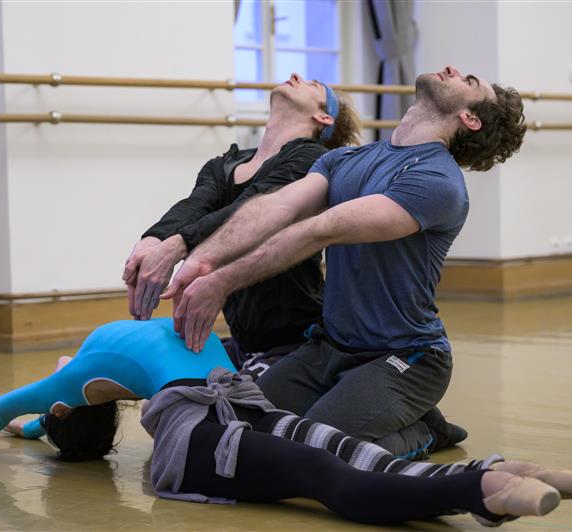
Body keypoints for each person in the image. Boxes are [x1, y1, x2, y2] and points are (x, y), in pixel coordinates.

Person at [161, 65, 528, 458]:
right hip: (329, 347)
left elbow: (322, 229)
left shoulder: (438, 182)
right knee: (228, 426)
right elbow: (277, 207)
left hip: (406, 357)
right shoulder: (346, 159)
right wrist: (202, 258)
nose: (454, 70)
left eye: (469, 82)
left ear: (469, 118)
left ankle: (423, 431)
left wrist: (222, 281)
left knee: (313, 449)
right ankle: (387, 411)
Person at [0, 319, 572, 527]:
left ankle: (491, 479)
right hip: (224, 416)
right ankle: (487, 483)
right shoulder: (90, 366)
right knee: (335, 465)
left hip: (222, 417)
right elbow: (17, 415)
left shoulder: (78, 382)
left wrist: (2, 433)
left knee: (339, 463)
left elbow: (16, 413)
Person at [122, 72, 360, 378]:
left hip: (297, 339)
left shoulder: (313, 159)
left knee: (202, 400)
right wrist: (154, 239)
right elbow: (195, 206)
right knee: (146, 369)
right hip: (245, 341)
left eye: (313, 85)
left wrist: (177, 245)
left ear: (323, 117)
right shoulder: (223, 165)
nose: (295, 75)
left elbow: (247, 209)